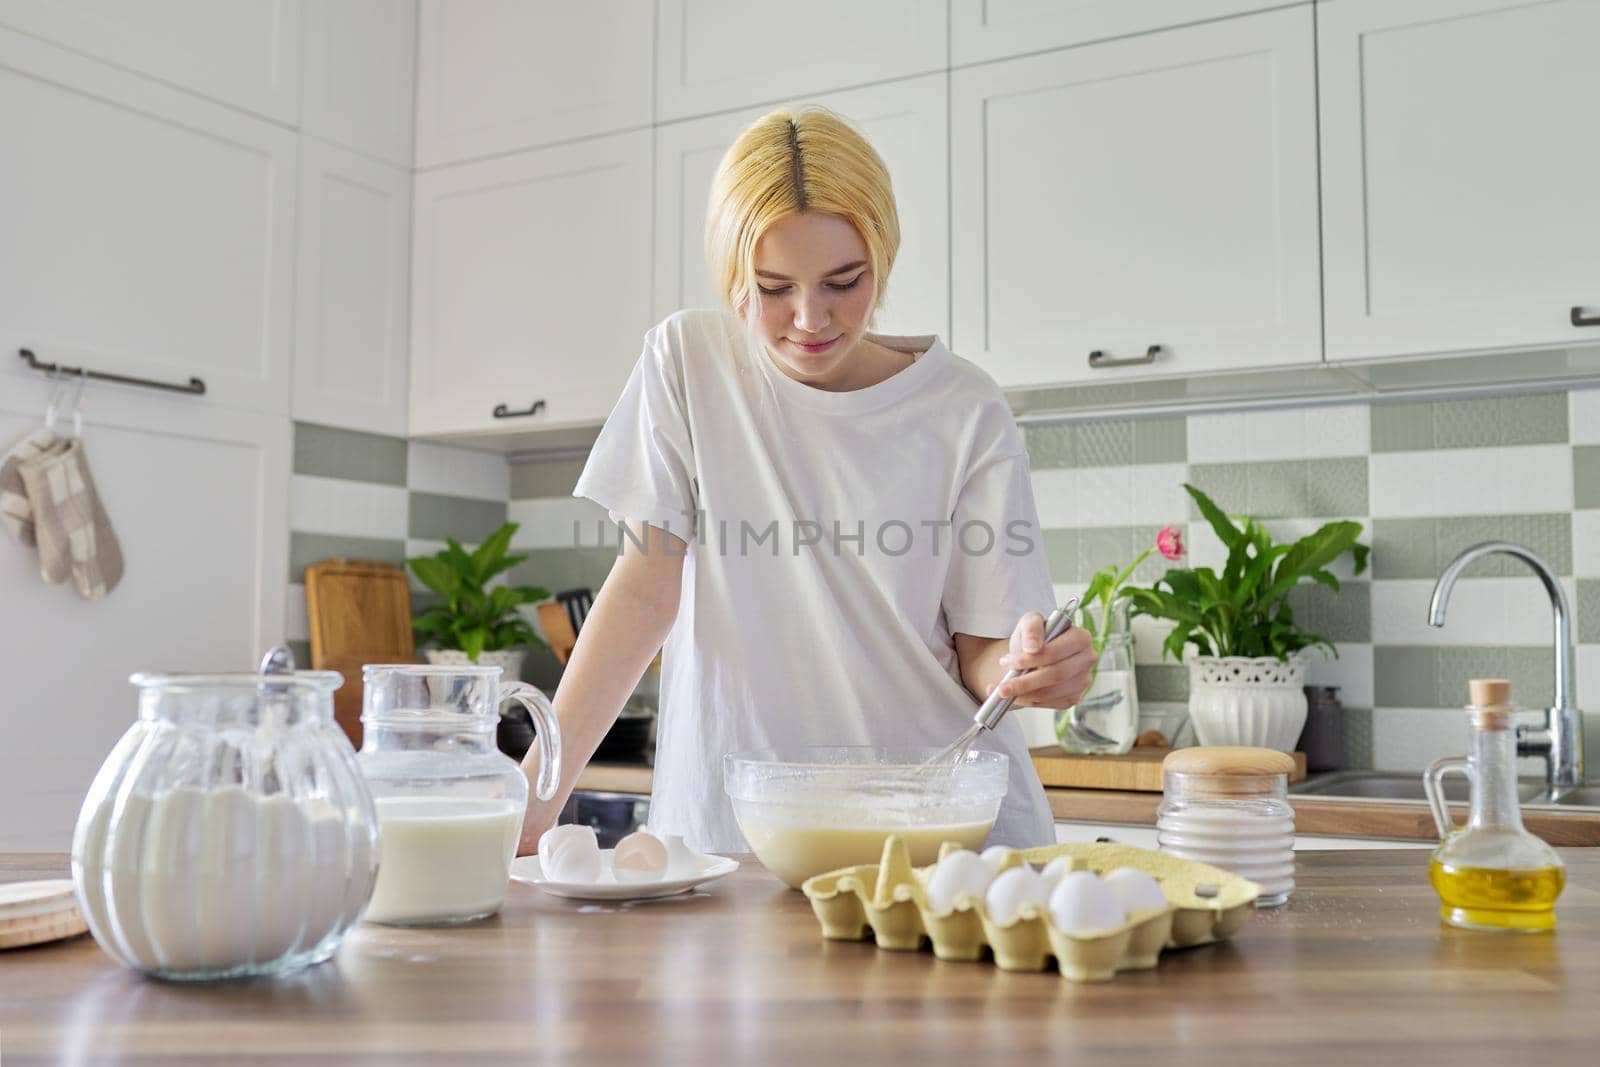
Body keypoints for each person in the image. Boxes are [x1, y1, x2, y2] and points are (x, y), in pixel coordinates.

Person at [517, 106, 1095, 856]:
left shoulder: (964, 408)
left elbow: (983, 651)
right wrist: (533, 800)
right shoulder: (687, 364)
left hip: (937, 835)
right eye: (772, 286)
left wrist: (1027, 667)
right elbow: (642, 591)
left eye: (843, 282)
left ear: (881, 257)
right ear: (731, 274)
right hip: (731, 842)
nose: (809, 318)